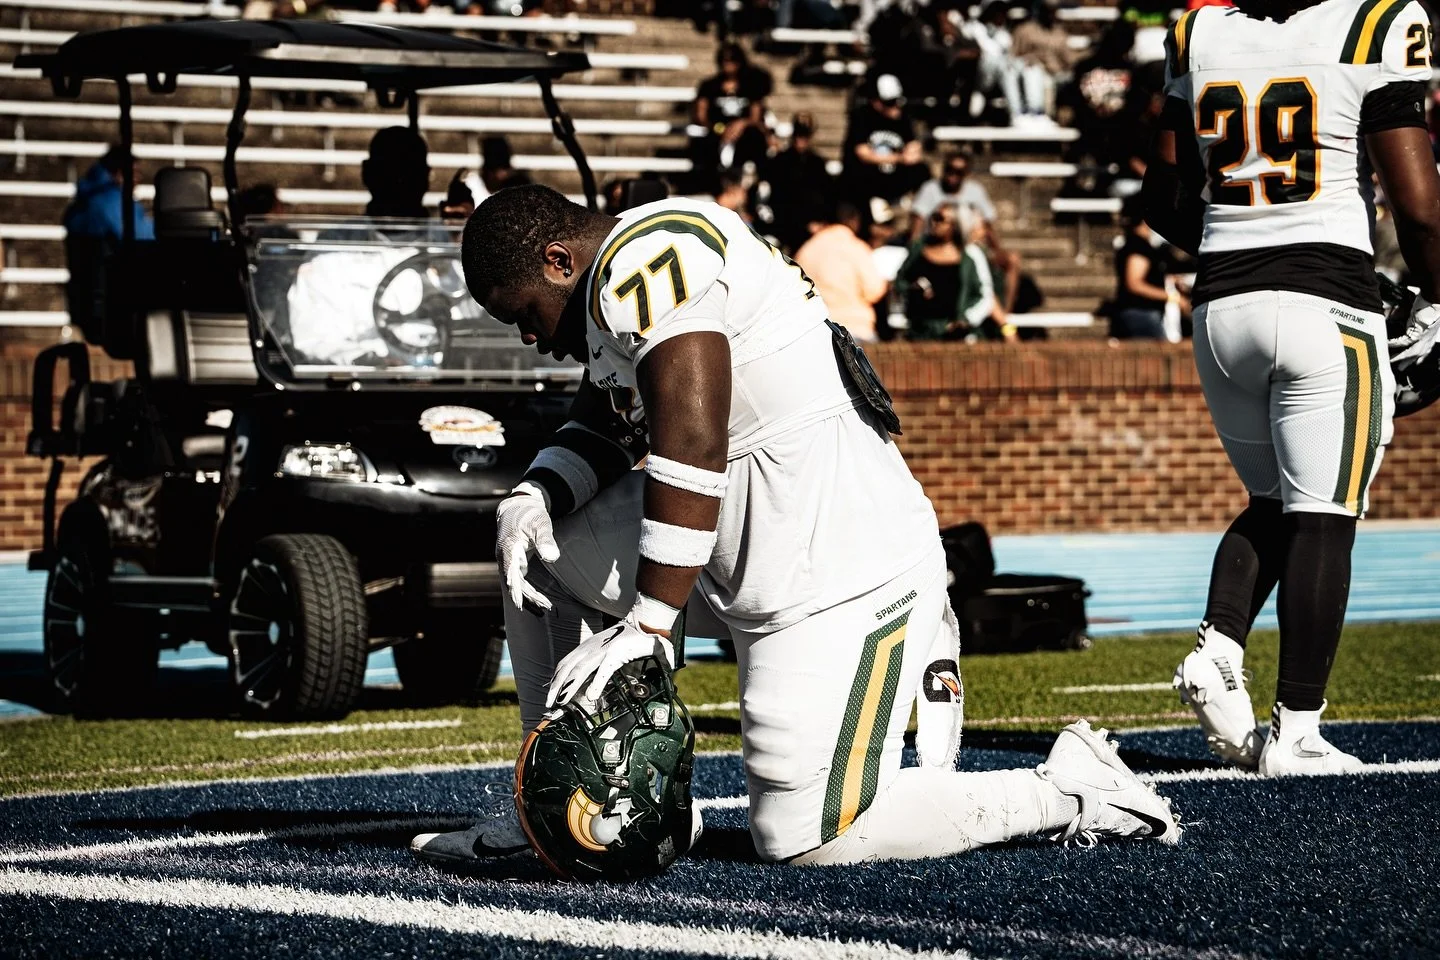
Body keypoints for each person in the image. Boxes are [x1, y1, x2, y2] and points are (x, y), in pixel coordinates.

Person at [409, 183, 1180, 869]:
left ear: (556, 261)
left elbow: (692, 439)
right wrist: (538, 492)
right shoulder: (620, 288)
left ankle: (1064, 789)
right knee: (537, 548)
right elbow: (612, 422)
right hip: (744, 551)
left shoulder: (650, 255)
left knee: (810, 837)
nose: (531, 338)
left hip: (837, 568)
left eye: (523, 317)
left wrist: (649, 621)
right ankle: (554, 789)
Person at [1144, 0, 1440, 775]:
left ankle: (1218, 647)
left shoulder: (1196, 30)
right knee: (1325, 517)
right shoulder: (1374, 23)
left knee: (1275, 502)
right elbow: (1419, 207)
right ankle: (1299, 730)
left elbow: (1163, 198)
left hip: (1220, 307)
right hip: (1324, 299)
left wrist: (1249, 239)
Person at [63, 145, 154, 330]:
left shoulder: (86, 202)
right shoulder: (112, 202)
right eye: (134, 172)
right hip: (113, 301)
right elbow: (142, 237)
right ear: (119, 173)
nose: (138, 179)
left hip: (87, 299)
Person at [899, 204, 1012, 342]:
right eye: (933, 217)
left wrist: (965, 320)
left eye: (940, 219)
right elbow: (900, 281)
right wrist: (912, 289)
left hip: (954, 334)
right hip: (919, 331)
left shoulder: (969, 255)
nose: (934, 223)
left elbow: (985, 295)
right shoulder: (918, 248)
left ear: (954, 224)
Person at [794, 200, 889, 342]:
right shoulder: (856, 247)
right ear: (853, 221)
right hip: (856, 330)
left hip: (815, 330)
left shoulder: (805, 250)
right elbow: (874, 290)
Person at [691, 41, 773, 192]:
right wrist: (720, 128)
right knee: (707, 147)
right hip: (716, 134)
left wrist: (740, 125)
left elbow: (755, 116)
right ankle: (716, 187)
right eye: (725, 60)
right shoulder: (709, 86)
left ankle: (751, 185)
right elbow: (700, 115)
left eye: (732, 60)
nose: (728, 65)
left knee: (755, 139)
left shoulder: (750, 86)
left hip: (744, 136)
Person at [840, 74, 929, 207]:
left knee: (922, 171)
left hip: (895, 179)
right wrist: (899, 158)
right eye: (890, 102)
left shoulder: (903, 119)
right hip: (868, 183)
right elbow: (863, 153)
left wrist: (909, 154)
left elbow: (914, 149)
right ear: (876, 101)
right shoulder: (862, 117)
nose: (895, 107)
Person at [753, 112, 834, 254]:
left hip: (813, 227)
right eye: (798, 135)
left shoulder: (817, 164)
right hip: (786, 227)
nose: (800, 140)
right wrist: (804, 224)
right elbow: (777, 200)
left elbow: (828, 195)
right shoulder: (779, 162)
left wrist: (822, 222)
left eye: (804, 136)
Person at [1110, 197, 1185, 340]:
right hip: (1140, 314)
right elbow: (1135, 283)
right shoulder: (1137, 246)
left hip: (1141, 313)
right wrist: (1173, 297)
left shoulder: (1138, 245)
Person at [1011, 0, 1080, 120]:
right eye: (1048, 10)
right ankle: (1038, 115)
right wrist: (1029, 59)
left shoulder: (1059, 33)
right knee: (1037, 75)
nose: (1051, 14)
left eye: (1053, 10)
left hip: (1057, 73)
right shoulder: (1025, 30)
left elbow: (1070, 59)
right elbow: (1013, 56)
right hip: (1033, 71)